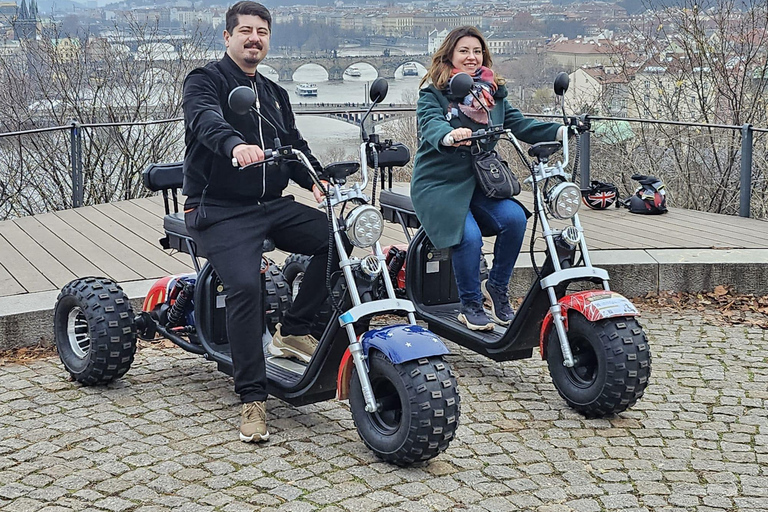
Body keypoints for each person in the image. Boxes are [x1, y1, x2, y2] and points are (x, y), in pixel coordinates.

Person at [182, 1, 337, 443]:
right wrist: (234, 145)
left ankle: (293, 330)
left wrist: (317, 180)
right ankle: (253, 396)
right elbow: (205, 122)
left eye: (262, 31)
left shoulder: (273, 93)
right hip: (219, 208)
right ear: (227, 37)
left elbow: (294, 144)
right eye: (245, 30)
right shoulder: (204, 81)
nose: (254, 38)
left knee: (336, 239)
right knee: (246, 286)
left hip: (270, 203)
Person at [410, 26, 567, 331]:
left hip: (481, 181)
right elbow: (429, 125)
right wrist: (448, 135)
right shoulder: (434, 94)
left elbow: (519, 124)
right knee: (467, 237)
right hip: (439, 184)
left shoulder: (491, 93)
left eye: (477, 51)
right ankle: (469, 304)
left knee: (514, 219)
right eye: (464, 51)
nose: (471, 57)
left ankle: (496, 288)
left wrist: (561, 131)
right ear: (450, 55)